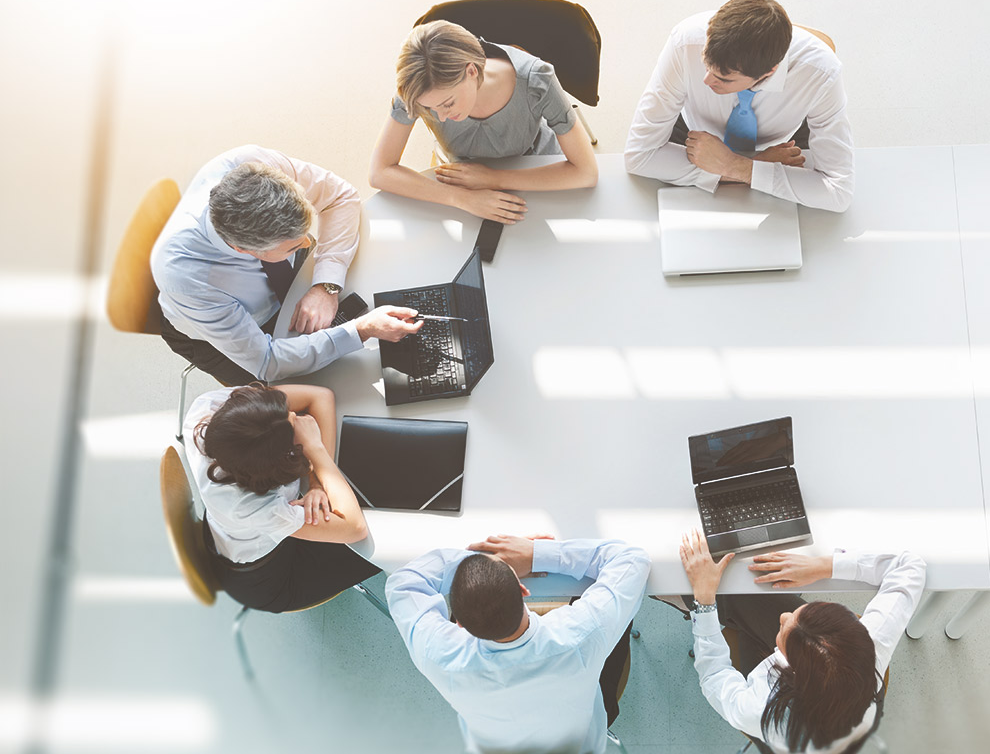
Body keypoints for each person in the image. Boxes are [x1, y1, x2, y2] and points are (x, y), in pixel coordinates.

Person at [151, 145, 425, 386]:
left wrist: (325, 285)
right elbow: (268, 361)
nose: (308, 244)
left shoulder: (251, 165)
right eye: (294, 247)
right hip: (232, 329)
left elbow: (339, 197)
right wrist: (361, 330)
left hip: (276, 275)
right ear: (243, 251)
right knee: (319, 388)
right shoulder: (187, 278)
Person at [388, 534, 649, 754]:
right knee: (614, 613)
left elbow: (403, 582)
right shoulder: (578, 635)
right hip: (584, 741)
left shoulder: (441, 657)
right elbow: (631, 560)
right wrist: (535, 553)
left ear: (459, 624)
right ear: (524, 590)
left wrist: (478, 561)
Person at [677, 532, 926, 754]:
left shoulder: (759, 707)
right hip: (854, 707)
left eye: (783, 636)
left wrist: (704, 600)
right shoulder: (874, 638)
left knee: (723, 600)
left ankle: (680, 597)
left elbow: (714, 675)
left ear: (789, 672)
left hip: (789, 738)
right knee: (748, 604)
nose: (784, 617)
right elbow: (909, 566)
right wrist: (823, 566)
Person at [625, 0, 855, 212]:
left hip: (780, 140)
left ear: (769, 72)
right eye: (706, 66)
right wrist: (760, 164)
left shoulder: (822, 73)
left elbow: (838, 191)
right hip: (696, 135)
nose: (705, 81)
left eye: (723, 78)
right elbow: (638, 156)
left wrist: (736, 166)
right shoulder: (685, 42)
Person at [370, 20, 598, 225]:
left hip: (536, 164)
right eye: (429, 108)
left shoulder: (537, 79)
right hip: (464, 181)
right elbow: (379, 171)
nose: (439, 117)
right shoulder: (419, 89)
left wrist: (492, 178)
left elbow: (586, 172)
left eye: (448, 104)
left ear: (471, 71)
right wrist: (462, 198)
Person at [185, 382, 379, 612]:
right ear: (276, 463)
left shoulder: (209, 411)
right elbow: (354, 529)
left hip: (239, 535)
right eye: (292, 428)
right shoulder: (255, 507)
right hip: (271, 580)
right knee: (383, 532)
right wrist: (315, 448)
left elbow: (320, 396)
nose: (296, 416)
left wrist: (316, 483)